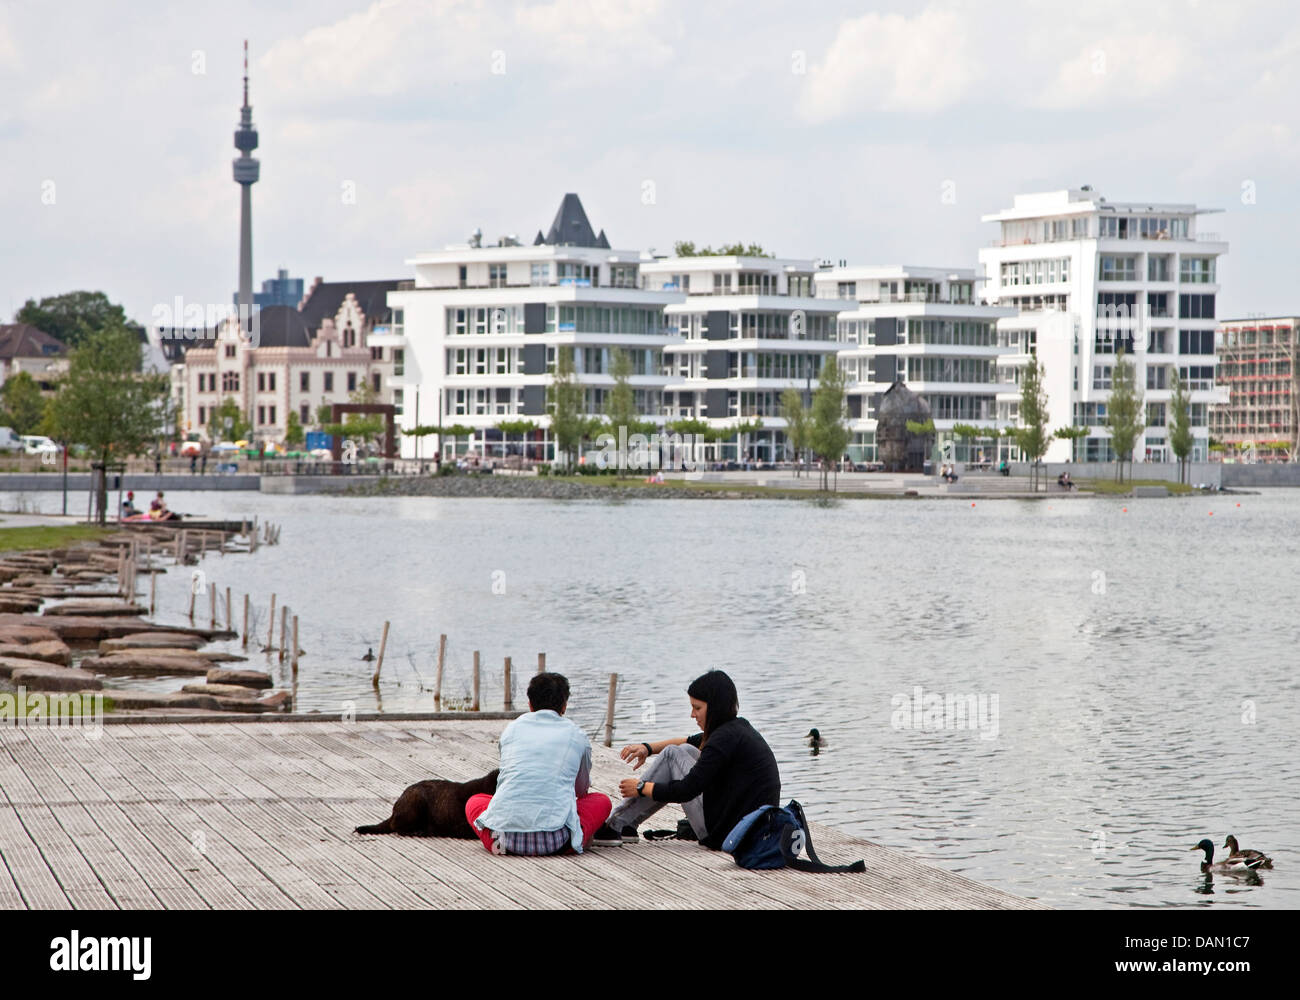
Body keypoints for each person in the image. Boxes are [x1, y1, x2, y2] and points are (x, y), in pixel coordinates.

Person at [593, 669, 780, 851]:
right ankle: (627, 824)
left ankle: (615, 825)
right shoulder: (736, 730)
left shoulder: (722, 739)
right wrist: (647, 748)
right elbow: (689, 741)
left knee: (673, 754)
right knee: (684, 750)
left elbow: (686, 790)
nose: (692, 715)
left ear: (715, 707)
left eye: (697, 708)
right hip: (747, 830)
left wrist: (642, 788)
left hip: (725, 835)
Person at [466, 672, 611, 856]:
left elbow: (507, 778)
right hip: (557, 843)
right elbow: (581, 791)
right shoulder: (577, 735)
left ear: (530, 705)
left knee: (474, 802)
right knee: (602, 801)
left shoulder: (511, 730)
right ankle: (579, 837)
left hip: (501, 842)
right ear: (564, 706)